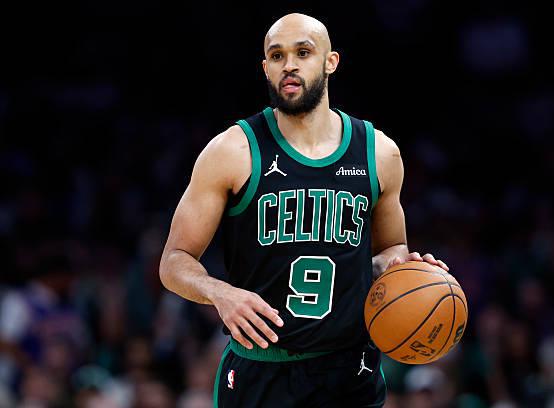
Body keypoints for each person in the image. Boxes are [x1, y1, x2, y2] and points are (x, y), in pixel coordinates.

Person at [159, 12, 449, 408]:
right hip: (262, 369)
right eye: (277, 56)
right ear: (266, 68)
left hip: (350, 370)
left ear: (331, 62)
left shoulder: (379, 152)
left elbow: (390, 248)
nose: (289, 65)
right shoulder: (232, 151)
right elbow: (174, 261)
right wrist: (220, 294)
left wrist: (404, 270)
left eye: (303, 52)